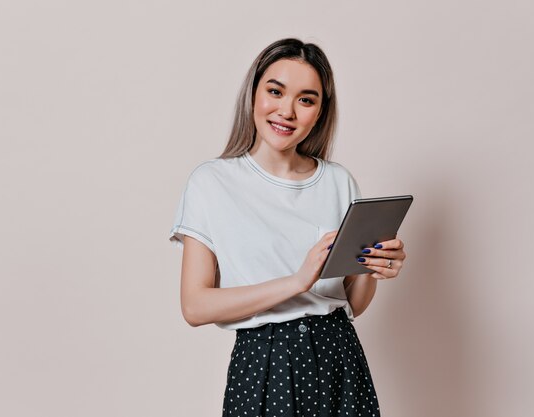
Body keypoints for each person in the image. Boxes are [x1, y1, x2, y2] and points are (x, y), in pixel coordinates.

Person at [169, 38, 407, 417]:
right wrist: (297, 281)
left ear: (320, 112)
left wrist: (373, 267)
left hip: (339, 356)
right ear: (254, 93)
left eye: (306, 99)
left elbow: (352, 304)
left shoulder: (337, 182)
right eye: (275, 91)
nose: (287, 111)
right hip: (264, 362)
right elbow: (195, 306)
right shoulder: (212, 182)